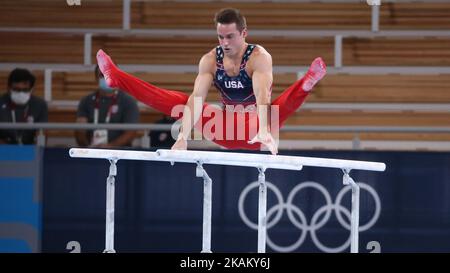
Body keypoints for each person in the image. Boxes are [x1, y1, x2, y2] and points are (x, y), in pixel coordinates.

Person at [96, 8, 326, 155]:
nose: (224, 42)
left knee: (276, 108)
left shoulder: (259, 58)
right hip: (224, 128)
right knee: (181, 102)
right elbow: (196, 101)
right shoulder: (209, 60)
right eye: (220, 36)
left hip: (257, 128)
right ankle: (117, 77)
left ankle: (307, 82)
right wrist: (183, 138)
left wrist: (265, 131)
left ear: (244, 33)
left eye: (230, 36)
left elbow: (262, 96)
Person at [75, 65, 140, 148]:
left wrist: (110, 146)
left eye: (110, 74)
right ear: (96, 79)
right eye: (102, 75)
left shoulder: (128, 101)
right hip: (91, 152)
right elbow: (80, 129)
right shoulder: (86, 101)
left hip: (119, 153)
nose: (106, 78)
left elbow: (130, 132)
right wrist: (87, 147)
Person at [0, 68, 48, 145]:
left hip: (29, 148)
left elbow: (42, 133)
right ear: (8, 88)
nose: (21, 93)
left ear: (31, 89)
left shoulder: (39, 104)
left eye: (25, 90)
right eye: (16, 89)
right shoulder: (1, 102)